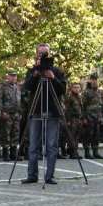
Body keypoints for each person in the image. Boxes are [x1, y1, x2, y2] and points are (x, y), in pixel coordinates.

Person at [21, 43, 66, 185]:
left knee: (52, 145)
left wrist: (53, 78)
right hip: (36, 111)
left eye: (45, 54)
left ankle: (49, 176)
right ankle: (32, 175)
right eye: (40, 54)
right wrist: (34, 75)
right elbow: (27, 87)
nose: (43, 57)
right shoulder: (32, 71)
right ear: (36, 55)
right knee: (33, 145)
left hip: (53, 111)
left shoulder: (57, 71)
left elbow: (63, 89)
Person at [0, 70, 22, 161]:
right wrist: (2, 112)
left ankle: (13, 153)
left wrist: (20, 112)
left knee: (15, 133)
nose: (13, 77)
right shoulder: (2, 87)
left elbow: (19, 101)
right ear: (7, 76)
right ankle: (5, 153)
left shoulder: (17, 88)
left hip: (16, 114)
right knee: (5, 133)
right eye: (11, 76)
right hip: (7, 114)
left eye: (15, 76)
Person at [82, 73, 103, 159]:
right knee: (88, 135)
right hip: (89, 116)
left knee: (96, 135)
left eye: (96, 79)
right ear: (90, 79)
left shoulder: (99, 91)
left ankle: (95, 152)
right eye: (93, 78)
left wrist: (102, 117)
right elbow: (83, 105)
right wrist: (84, 118)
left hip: (97, 116)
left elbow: (101, 104)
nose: (94, 80)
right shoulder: (86, 91)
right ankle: (87, 152)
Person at [63, 82, 84, 159]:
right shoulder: (69, 96)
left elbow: (81, 108)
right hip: (72, 119)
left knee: (76, 136)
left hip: (78, 119)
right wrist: (68, 120)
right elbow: (67, 109)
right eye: (75, 87)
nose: (76, 89)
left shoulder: (79, 97)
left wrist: (82, 118)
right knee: (72, 136)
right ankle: (72, 152)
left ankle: (75, 151)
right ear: (72, 88)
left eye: (78, 87)